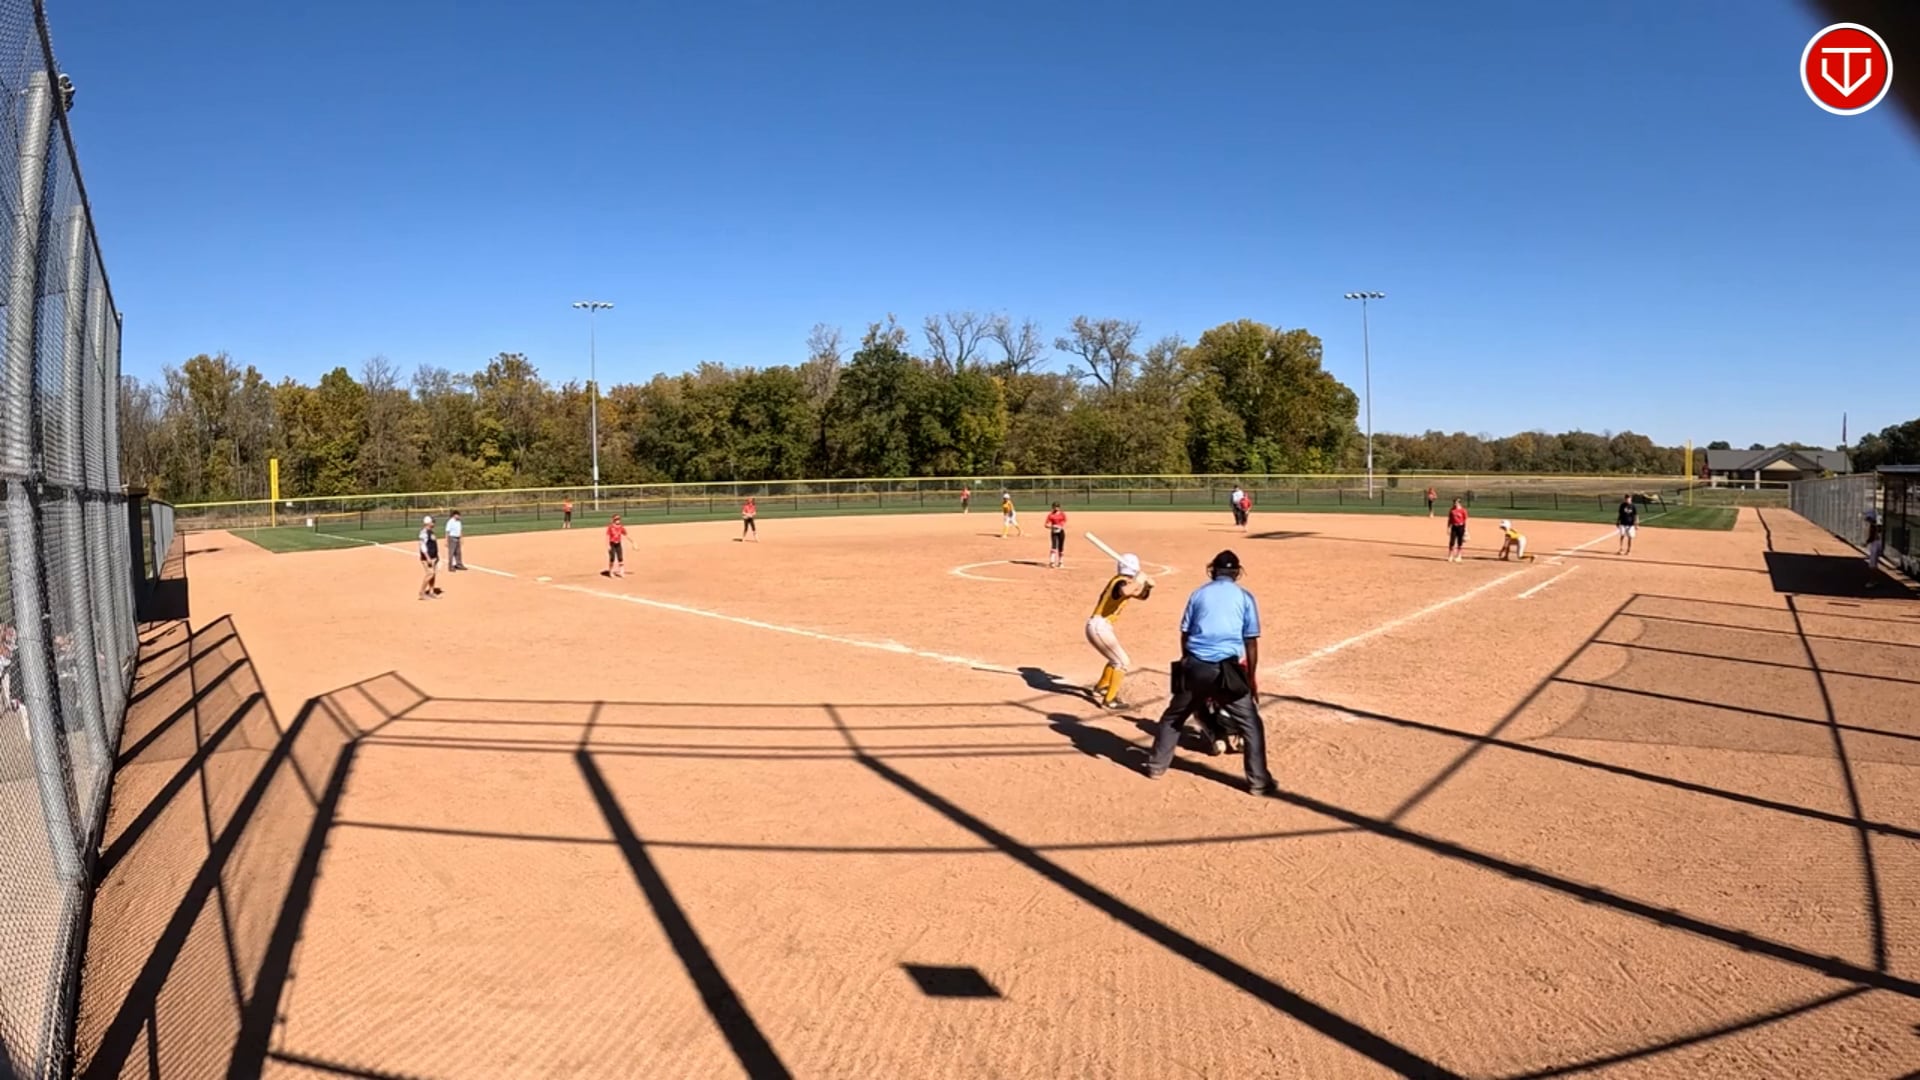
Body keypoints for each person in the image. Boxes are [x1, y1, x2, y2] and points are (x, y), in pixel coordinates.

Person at [1145, 550, 1272, 796]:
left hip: (1195, 665)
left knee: (1173, 718)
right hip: (1227, 671)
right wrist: (1250, 680)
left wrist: (1186, 662)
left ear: (1213, 570)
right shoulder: (1245, 596)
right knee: (1251, 725)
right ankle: (1258, 782)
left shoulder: (1198, 594)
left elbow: (1185, 633)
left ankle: (1156, 767)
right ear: (1236, 572)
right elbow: (1251, 641)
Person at [1086, 553, 1154, 710]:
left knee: (1115, 659)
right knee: (1122, 662)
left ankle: (1101, 687)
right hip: (1099, 626)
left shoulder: (1123, 581)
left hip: (1101, 626)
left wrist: (1148, 586)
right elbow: (1125, 591)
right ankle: (1110, 700)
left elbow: (1140, 595)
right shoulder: (1120, 582)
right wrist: (1139, 580)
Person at [418, 516, 441, 600]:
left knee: (433, 574)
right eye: (432, 522)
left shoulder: (430, 531)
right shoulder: (424, 533)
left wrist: (436, 556)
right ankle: (421, 593)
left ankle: (431, 592)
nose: (434, 523)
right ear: (428, 523)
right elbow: (422, 546)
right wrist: (427, 557)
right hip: (427, 558)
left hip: (433, 557)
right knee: (430, 574)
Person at [1865, 509, 1885, 584]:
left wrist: (1866, 542)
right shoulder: (1877, 525)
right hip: (1878, 543)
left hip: (1875, 544)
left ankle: (1872, 581)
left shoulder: (1873, 526)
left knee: (1872, 565)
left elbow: (1872, 537)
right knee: (1874, 564)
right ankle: (1874, 580)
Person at [1044, 502, 1068, 568]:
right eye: (1055, 507)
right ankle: (1052, 562)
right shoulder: (1050, 515)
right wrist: (1052, 527)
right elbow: (1046, 524)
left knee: (1061, 546)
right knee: (1054, 546)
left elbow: (1064, 521)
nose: (1056, 508)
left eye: (1057, 507)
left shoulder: (1062, 514)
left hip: (1061, 531)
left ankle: (1060, 562)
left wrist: (1060, 526)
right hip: (1054, 532)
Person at [1446, 498, 1469, 562]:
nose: (1455, 504)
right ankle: (1450, 556)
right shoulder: (1452, 510)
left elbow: (1465, 520)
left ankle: (1459, 556)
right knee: (1452, 542)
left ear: (1459, 503)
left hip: (1461, 527)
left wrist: (1466, 529)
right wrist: (1448, 528)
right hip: (1454, 526)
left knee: (1460, 542)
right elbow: (1450, 520)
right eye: (1454, 503)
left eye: (1456, 503)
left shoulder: (1463, 510)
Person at [606, 513, 627, 578]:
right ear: (613, 520)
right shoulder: (610, 527)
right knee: (612, 558)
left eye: (619, 519)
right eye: (616, 519)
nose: (618, 520)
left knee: (620, 558)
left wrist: (632, 541)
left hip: (618, 544)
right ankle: (611, 571)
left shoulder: (621, 527)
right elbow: (607, 536)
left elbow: (625, 534)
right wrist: (608, 545)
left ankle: (621, 572)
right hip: (612, 544)